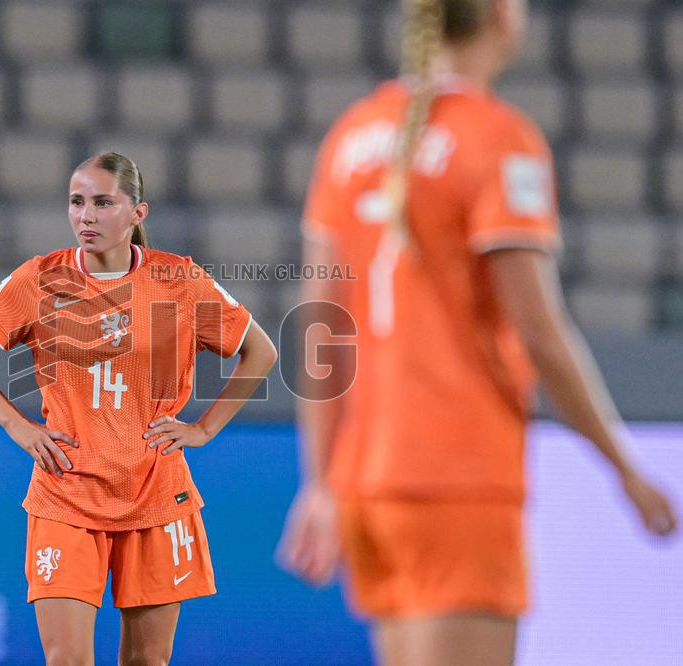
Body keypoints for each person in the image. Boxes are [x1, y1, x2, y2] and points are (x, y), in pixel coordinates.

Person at [277, 1, 678, 665]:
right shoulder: (499, 139)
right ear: (501, 16)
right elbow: (540, 333)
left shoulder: (350, 137)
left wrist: (319, 482)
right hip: (458, 478)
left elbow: (319, 325)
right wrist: (624, 468)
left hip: (367, 488)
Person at [0, 152, 277, 665]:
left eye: (103, 203)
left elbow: (261, 350)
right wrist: (18, 425)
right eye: (77, 202)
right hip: (68, 490)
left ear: (137, 213)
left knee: (147, 662)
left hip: (156, 491)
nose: (86, 216)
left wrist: (205, 428)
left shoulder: (179, 281)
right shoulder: (40, 279)